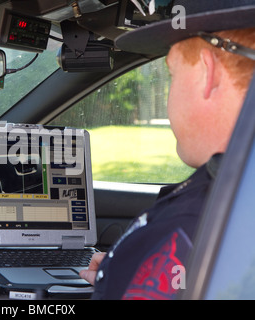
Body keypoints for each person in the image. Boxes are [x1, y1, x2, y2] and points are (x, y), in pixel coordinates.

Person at [79, 0, 255, 299]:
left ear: (206, 72)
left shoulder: (193, 225)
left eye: (173, 73)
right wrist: (122, 270)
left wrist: (119, 281)